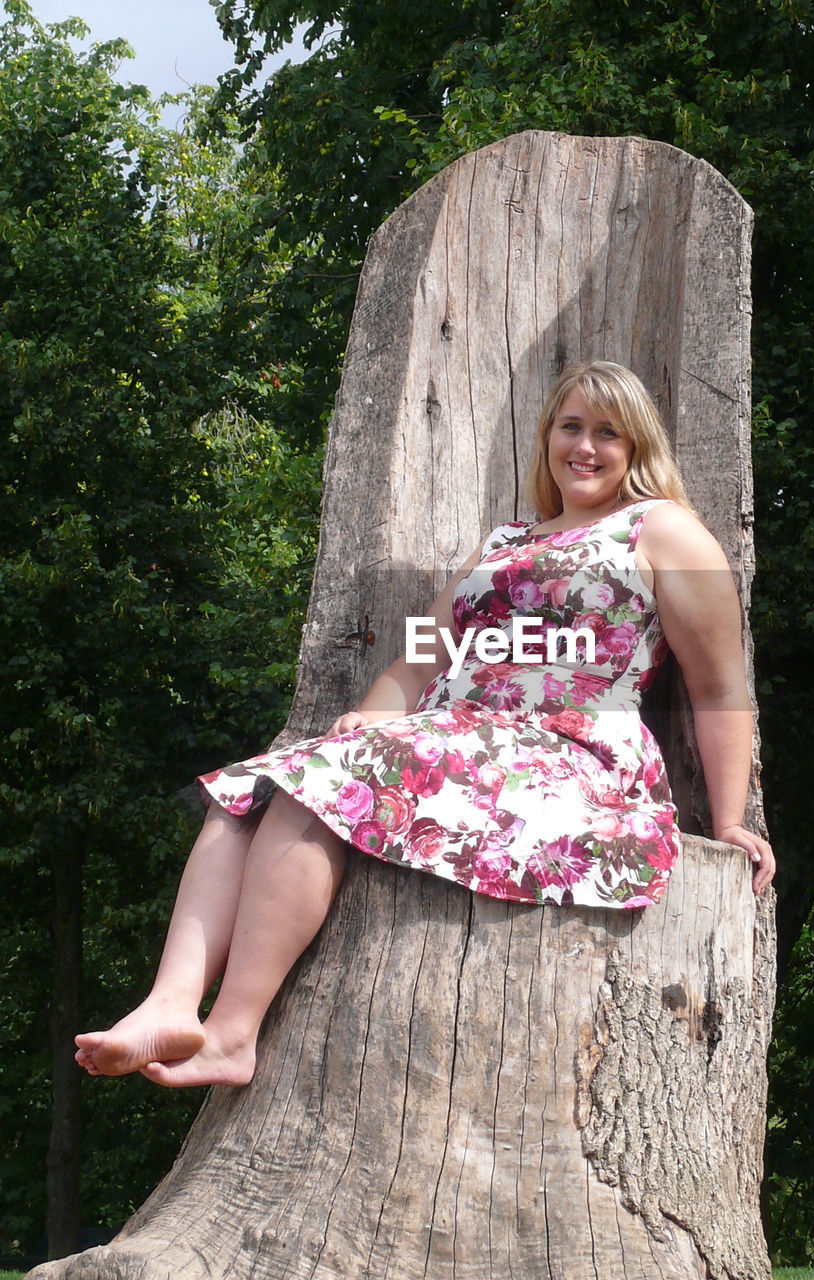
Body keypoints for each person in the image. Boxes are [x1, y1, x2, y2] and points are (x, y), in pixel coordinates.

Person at [75, 360, 775, 1090]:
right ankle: (171, 1002)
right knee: (252, 789)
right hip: (460, 736)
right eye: (571, 427)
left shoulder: (662, 529)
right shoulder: (505, 541)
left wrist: (729, 821)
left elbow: (720, 684)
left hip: (567, 751)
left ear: (637, 448)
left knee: (325, 784)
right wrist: (367, 722)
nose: (586, 447)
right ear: (547, 437)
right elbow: (416, 664)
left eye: (608, 433)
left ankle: (230, 1035)